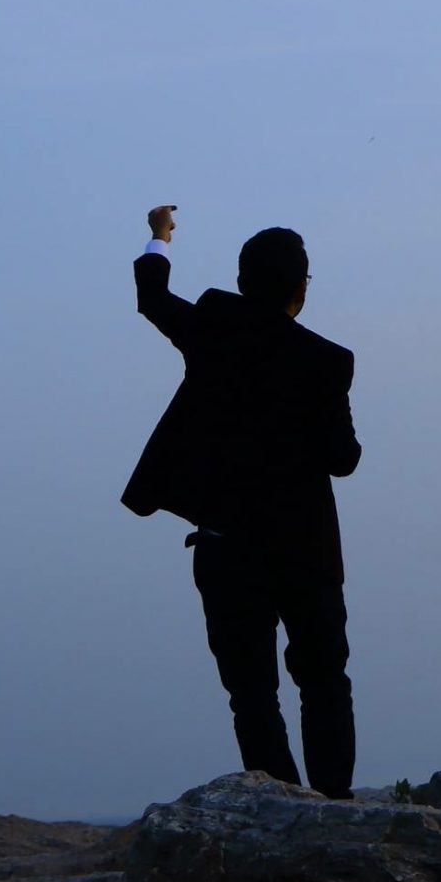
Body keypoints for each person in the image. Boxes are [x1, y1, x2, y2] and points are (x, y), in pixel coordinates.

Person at [122, 205, 363, 799]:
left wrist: (159, 238)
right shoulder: (327, 361)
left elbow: (153, 298)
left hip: (226, 546)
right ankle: (332, 801)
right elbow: (344, 458)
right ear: (300, 288)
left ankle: (281, 803)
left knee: (251, 692)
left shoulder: (215, 324)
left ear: (241, 280)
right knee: (324, 679)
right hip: (304, 548)